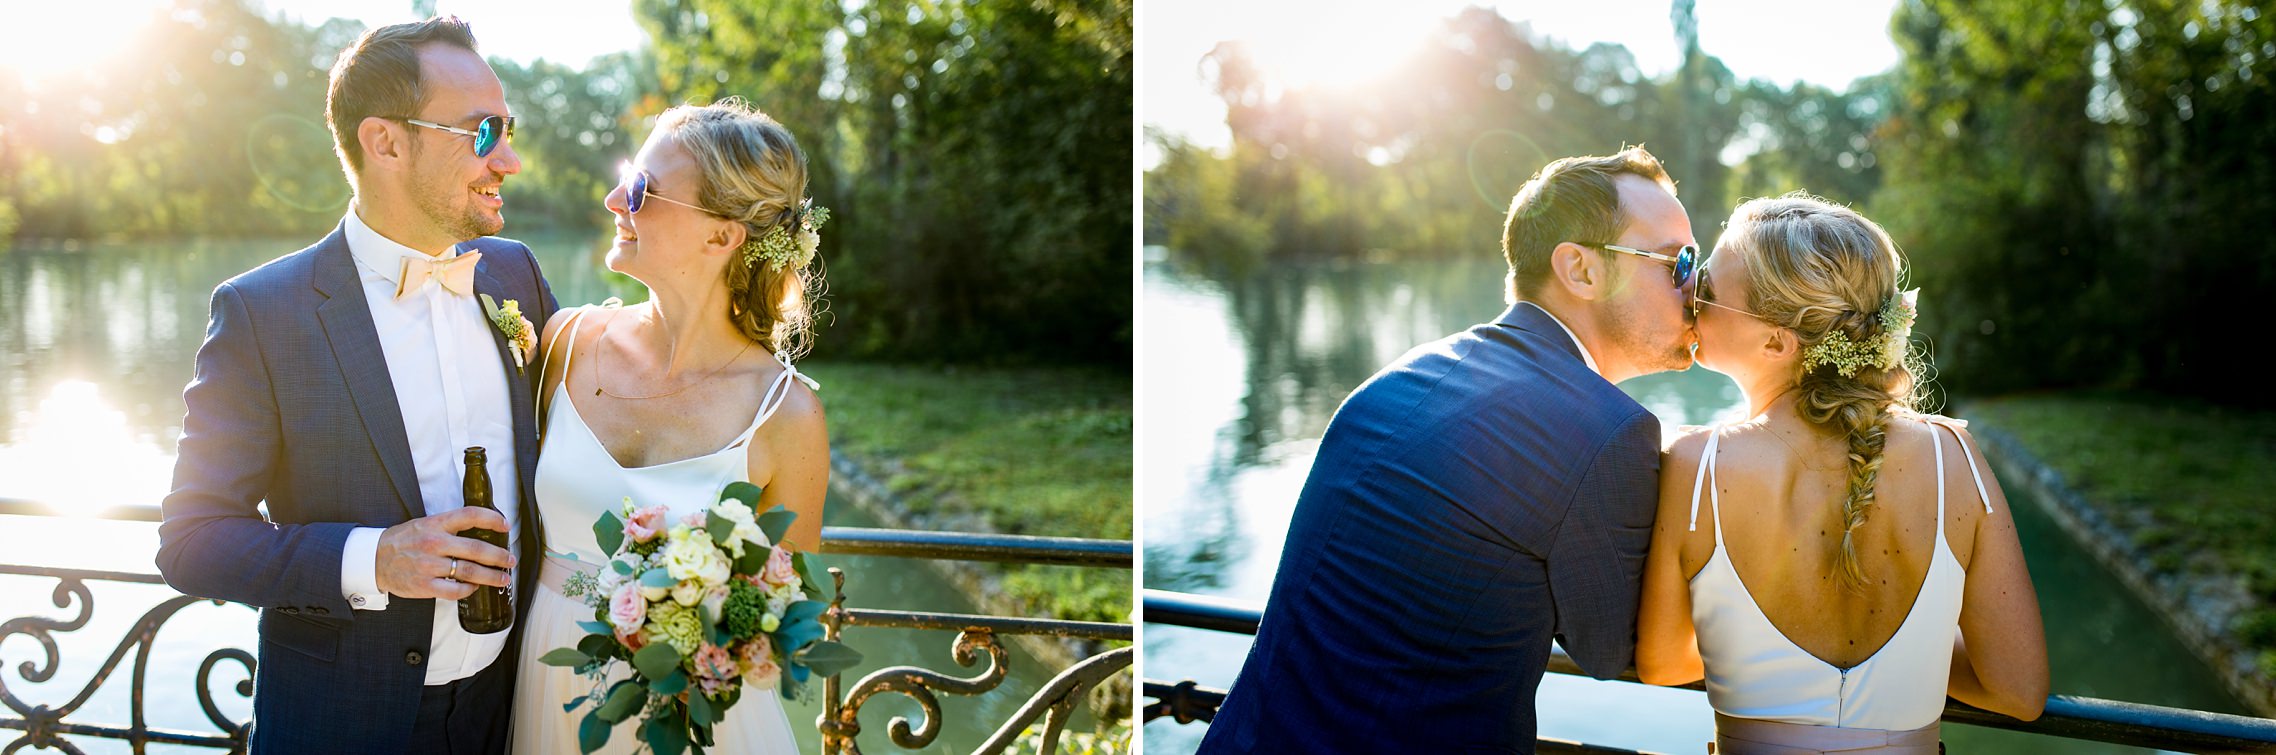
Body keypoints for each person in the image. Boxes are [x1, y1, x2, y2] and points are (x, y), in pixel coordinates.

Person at [1196, 147, 1698, 753]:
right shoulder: (1601, 431)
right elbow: (1626, 650)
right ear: (1582, 271)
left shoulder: (1404, 375)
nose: (1699, 287)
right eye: (1678, 261)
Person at [156, 17, 556, 755]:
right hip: (339, 726)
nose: (511, 159)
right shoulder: (261, 313)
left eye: (508, 129)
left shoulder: (516, 276)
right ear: (386, 141)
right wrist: (373, 559)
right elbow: (191, 540)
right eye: (483, 133)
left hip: (507, 717)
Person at [1634, 193, 2048, 753]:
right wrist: (1909, 656)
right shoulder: (1955, 457)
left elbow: (1661, 663)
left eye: (1707, 288)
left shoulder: (1695, 466)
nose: (1689, 298)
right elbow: (2018, 692)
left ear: (1776, 340)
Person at [508, 98, 828, 754]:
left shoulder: (786, 413)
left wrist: (710, 634)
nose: (611, 200)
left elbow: (790, 619)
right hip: (545, 683)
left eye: (640, 188)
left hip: (696, 724)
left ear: (721, 235)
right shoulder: (565, 342)